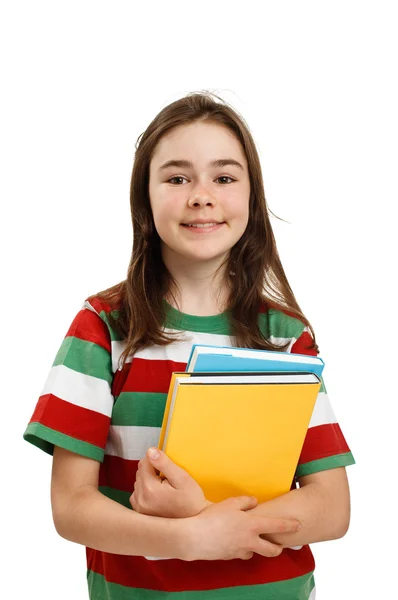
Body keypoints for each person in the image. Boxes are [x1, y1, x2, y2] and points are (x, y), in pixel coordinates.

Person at [23, 91, 355, 600]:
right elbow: (71, 507)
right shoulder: (103, 327)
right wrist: (188, 537)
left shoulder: (287, 337)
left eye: (224, 178)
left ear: (251, 198)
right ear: (144, 200)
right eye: (177, 178)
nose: (202, 195)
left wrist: (209, 525)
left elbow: (331, 509)